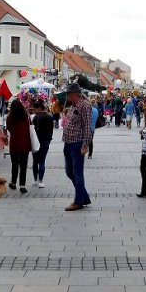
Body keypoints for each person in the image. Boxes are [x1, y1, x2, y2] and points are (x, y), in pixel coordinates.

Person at [62, 83, 93, 211]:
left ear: (76, 94)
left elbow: (87, 127)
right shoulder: (73, 106)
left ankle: (79, 201)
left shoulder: (84, 106)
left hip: (77, 143)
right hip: (68, 143)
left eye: (69, 94)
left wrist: (85, 145)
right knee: (69, 172)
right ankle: (84, 196)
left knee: (77, 172)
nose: (68, 97)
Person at [7, 100, 31, 193]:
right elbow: (30, 127)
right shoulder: (26, 117)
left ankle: (13, 183)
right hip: (25, 143)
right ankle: (22, 185)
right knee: (23, 165)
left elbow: (9, 128)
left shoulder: (10, 117)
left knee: (14, 164)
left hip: (14, 144)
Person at [31, 100, 54, 188]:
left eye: (35, 109)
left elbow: (33, 131)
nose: (34, 111)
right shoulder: (50, 117)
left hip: (36, 141)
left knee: (35, 161)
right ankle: (41, 181)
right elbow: (51, 131)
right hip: (45, 141)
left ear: (39, 108)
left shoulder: (36, 118)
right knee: (42, 161)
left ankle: (35, 180)